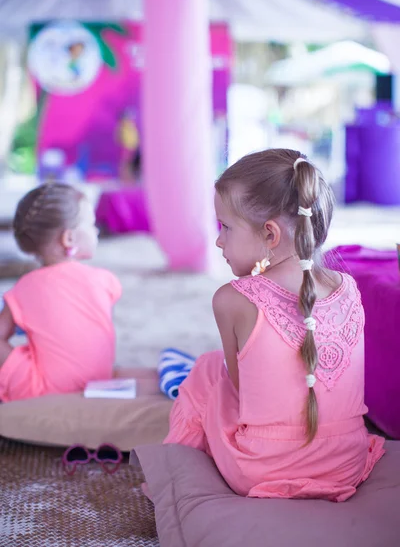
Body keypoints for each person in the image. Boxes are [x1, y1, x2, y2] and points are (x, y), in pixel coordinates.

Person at [163, 149, 385, 502]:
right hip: (347, 464)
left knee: (207, 369)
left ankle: (175, 470)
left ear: (270, 234)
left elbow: (241, 390)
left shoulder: (231, 299)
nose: (219, 240)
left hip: (262, 470)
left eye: (226, 226)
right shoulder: (349, 287)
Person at [0, 182, 121, 402]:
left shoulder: (22, 288)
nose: (95, 230)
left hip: (40, 391)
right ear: (69, 239)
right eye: (91, 224)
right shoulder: (106, 280)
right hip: (99, 382)